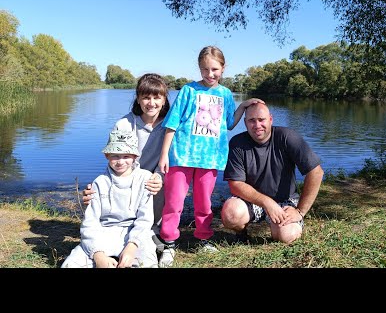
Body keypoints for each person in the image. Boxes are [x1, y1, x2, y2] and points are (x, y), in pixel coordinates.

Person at [157, 45, 264, 267]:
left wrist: (243, 106)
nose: (210, 74)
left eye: (214, 69)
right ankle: (168, 243)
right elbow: (172, 124)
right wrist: (164, 154)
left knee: (204, 203)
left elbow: (228, 124)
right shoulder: (188, 90)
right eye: (205, 69)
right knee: (174, 202)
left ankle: (203, 237)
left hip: (210, 158)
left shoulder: (225, 94)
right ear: (199, 68)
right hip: (182, 156)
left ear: (223, 68)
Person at [82, 73, 170, 250]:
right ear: (138, 99)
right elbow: (114, 160)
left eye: (156, 97)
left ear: (164, 100)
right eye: (146, 97)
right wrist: (99, 189)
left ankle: (155, 230)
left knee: (160, 182)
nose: (151, 103)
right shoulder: (123, 124)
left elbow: (172, 159)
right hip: (128, 175)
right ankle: (118, 229)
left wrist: (159, 176)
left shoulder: (171, 126)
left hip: (157, 177)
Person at [220, 102, 324, 244]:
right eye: (251, 120)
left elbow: (316, 172)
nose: (257, 125)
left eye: (261, 120)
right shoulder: (237, 143)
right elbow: (235, 184)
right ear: (245, 123)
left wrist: (300, 211)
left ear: (270, 119)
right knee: (231, 214)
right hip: (253, 202)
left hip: (284, 201)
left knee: (287, 236)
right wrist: (267, 203)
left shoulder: (287, 137)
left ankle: (281, 227)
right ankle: (241, 234)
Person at [61, 129, 158, 268]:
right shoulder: (99, 182)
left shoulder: (145, 178)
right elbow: (90, 222)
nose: (120, 161)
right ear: (107, 155)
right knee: (70, 264)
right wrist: (98, 255)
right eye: (115, 156)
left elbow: (145, 219)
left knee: (147, 263)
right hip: (104, 232)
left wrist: (132, 247)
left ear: (135, 156)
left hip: (135, 234)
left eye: (126, 156)